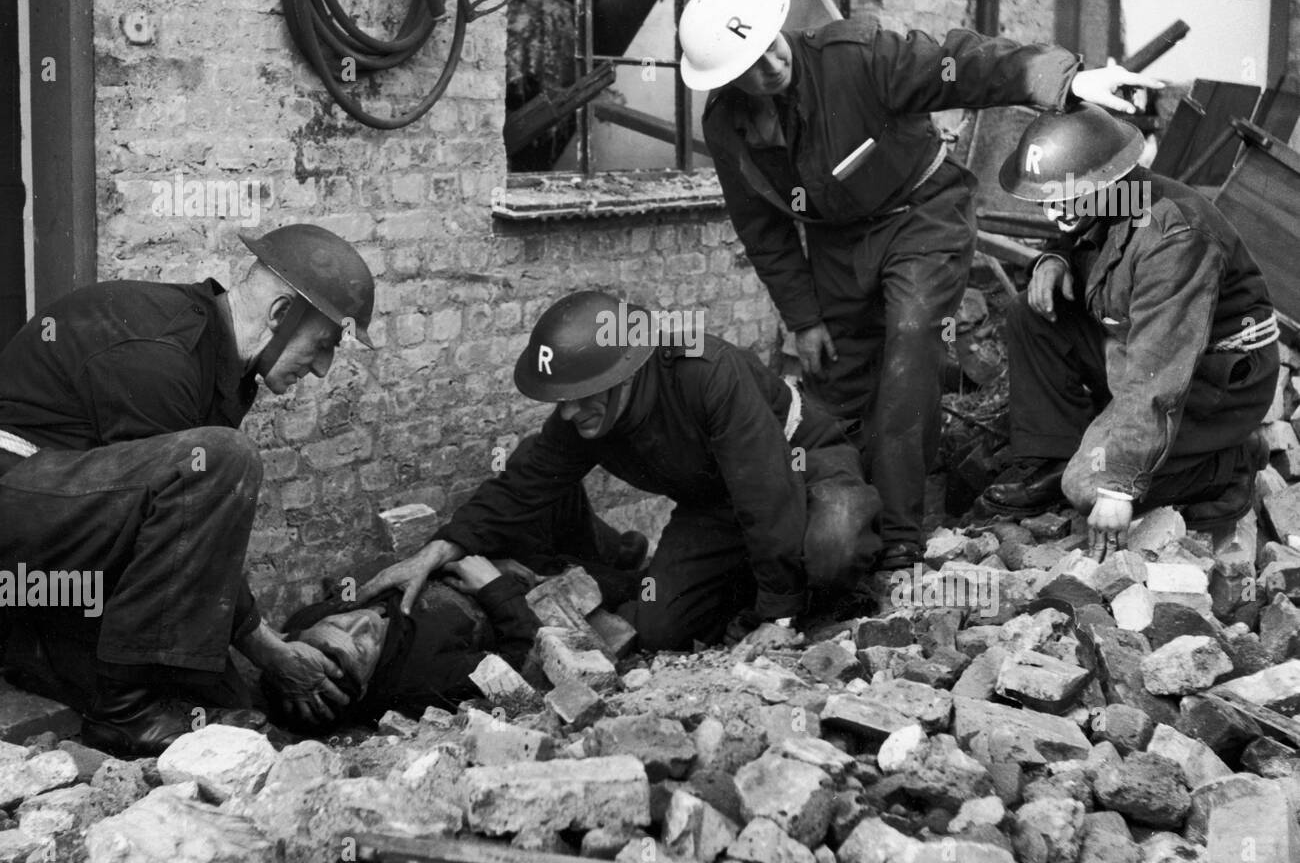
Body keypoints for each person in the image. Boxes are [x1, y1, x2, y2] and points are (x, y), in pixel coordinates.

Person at [677, 0, 1162, 573]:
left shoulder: (858, 56)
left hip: (921, 213)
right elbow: (763, 231)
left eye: (773, 45)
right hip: (836, 242)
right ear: (728, 77)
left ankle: (903, 537)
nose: (773, 63)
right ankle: (836, 536)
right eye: (751, 63)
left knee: (910, 346)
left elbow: (962, 63)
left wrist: (1065, 80)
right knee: (839, 383)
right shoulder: (729, 127)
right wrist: (803, 319)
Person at [0, 224, 376, 757]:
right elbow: (185, 503)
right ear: (279, 315)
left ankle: (37, 647)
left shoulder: (223, 362)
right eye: (323, 345)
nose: (320, 368)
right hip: (16, 496)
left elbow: (180, 536)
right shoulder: (162, 352)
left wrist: (259, 653)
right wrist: (268, 648)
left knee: (217, 691)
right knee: (224, 460)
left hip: (61, 524)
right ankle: (122, 715)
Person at [359, 290, 881, 651]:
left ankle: (797, 585)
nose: (566, 413)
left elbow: (765, 489)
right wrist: (442, 546)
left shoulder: (705, 371)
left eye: (579, 399)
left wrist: (778, 617)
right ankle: (758, 575)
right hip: (716, 504)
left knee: (831, 547)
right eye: (560, 401)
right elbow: (525, 485)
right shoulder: (584, 409)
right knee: (658, 629)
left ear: (624, 375)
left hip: (798, 461)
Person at [980, 104, 1279, 556]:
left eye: (1064, 197)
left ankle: (1229, 463)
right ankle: (1052, 455)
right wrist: (1055, 259)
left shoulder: (1173, 238)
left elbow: (1160, 368)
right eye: (1047, 198)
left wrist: (1119, 483)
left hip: (1211, 381)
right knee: (1032, 313)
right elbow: (1079, 238)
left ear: (1106, 180)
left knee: (1087, 487)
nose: (1051, 210)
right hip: (1134, 350)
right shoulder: (1110, 198)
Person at [264, 555, 539, 732]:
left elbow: (341, 591)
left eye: (337, 624)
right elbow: (517, 668)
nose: (366, 621)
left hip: (453, 560)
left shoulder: (307, 623)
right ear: (363, 688)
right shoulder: (427, 679)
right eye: (361, 646)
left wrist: (443, 558)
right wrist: (496, 586)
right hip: (503, 588)